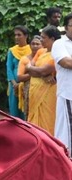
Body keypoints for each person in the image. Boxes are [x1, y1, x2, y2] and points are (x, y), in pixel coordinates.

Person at [26, 25, 59, 135]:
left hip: (49, 91)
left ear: (52, 39)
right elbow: (28, 68)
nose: (41, 40)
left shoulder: (57, 54)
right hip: (35, 89)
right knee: (34, 117)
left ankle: (49, 145)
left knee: (48, 117)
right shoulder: (41, 52)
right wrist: (43, 74)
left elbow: (43, 70)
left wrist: (39, 71)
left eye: (43, 37)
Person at [51, 13, 72, 156]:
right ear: (66, 27)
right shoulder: (59, 43)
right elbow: (67, 62)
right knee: (67, 134)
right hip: (69, 95)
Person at [6, 25, 31, 120]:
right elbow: (9, 68)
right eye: (15, 35)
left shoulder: (31, 49)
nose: (16, 37)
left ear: (26, 36)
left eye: (19, 35)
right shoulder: (12, 51)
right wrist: (14, 83)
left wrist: (24, 80)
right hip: (14, 86)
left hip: (27, 83)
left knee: (26, 109)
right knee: (14, 109)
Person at [17, 35, 43, 119]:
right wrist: (36, 73)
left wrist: (33, 70)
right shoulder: (25, 59)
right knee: (29, 113)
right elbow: (20, 77)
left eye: (37, 44)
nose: (35, 46)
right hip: (29, 91)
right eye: (33, 44)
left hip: (43, 90)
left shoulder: (45, 58)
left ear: (42, 45)